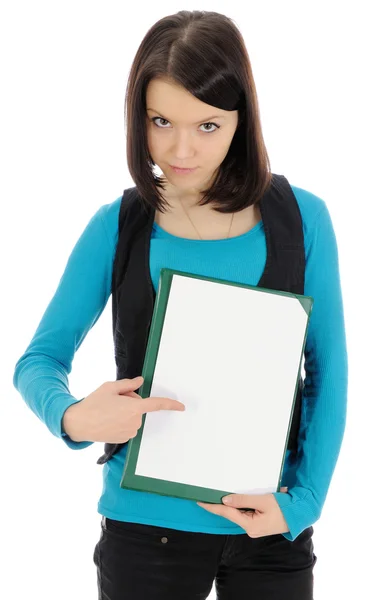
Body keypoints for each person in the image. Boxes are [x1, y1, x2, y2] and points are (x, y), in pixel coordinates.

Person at [13, 9, 348, 600]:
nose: (181, 149)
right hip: (145, 532)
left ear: (242, 120)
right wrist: (71, 417)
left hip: (270, 528)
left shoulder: (303, 219)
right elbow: (38, 360)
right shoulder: (118, 226)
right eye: (161, 121)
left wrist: (303, 504)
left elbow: (328, 370)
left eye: (208, 126)